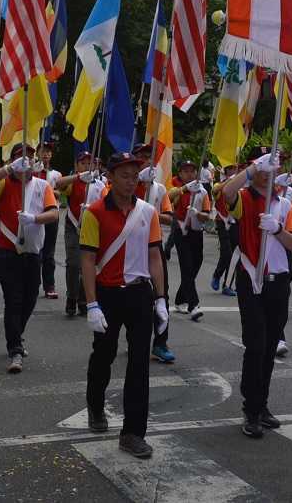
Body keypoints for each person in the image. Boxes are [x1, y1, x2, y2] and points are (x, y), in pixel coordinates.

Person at [80, 151, 167, 459]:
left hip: (139, 293)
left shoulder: (148, 212)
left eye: (135, 176)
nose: (131, 182)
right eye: (125, 176)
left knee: (139, 363)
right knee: (103, 353)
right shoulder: (94, 212)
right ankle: (95, 403)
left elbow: (155, 257)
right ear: (110, 177)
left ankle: (132, 432)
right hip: (107, 294)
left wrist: (161, 299)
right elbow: (88, 260)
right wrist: (91, 305)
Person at [222, 153, 292, 438]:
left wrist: (277, 228)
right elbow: (225, 192)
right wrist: (253, 168)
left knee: (269, 347)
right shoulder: (243, 198)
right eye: (264, 169)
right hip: (252, 278)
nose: (268, 174)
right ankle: (251, 409)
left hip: (278, 282)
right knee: (255, 345)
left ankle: (262, 404)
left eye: (272, 169)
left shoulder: (286, 204)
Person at [0, 143, 59, 374]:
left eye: (28, 157)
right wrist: (8, 169)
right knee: (13, 300)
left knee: (29, 299)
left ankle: (17, 334)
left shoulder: (41, 185)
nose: (25, 161)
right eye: (19, 158)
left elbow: (54, 212)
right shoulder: (5, 183)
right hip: (8, 251)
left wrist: (35, 219)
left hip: (33, 251)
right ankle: (15, 348)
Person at [134, 144, 176, 364]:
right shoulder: (127, 187)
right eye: (141, 157)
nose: (146, 161)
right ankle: (135, 337)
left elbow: (169, 217)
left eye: (149, 157)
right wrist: (138, 183)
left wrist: (153, 214)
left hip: (153, 244)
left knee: (162, 294)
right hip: (130, 245)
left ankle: (160, 342)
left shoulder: (159, 189)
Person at [56, 151, 104, 317]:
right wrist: (78, 177)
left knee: (89, 265)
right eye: (82, 163)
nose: (86, 166)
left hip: (91, 227)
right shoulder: (74, 182)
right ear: (77, 166)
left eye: (89, 163)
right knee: (74, 263)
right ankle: (72, 297)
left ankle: (84, 300)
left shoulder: (100, 184)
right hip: (73, 225)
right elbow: (58, 183)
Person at [168, 160, 211, 321]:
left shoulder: (202, 192)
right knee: (186, 267)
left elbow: (207, 215)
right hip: (181, 231)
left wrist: (197, 214)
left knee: (195, 266)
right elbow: (169, 197)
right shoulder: (177, 188)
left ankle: (180, 299)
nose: (189, 174)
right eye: (185, 171)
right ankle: (194, 305)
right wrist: (185, 189)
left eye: (192, 171)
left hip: (196, 232)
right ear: (180, 173)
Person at [34, 142, 63, 300]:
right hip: (35, 215)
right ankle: (33, 283)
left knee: (49, 252)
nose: (45, 154)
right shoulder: (32, 171)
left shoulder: (56, 175)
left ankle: (49, 285)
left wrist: (49, 190)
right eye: (43, 151)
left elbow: (61, 192)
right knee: (34, 251)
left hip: (51, 214)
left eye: (48, 152)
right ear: (37, 154)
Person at [211, 164, 238, 296]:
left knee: (234, 256)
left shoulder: (240, 186)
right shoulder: (219, 185)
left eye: (235, 169)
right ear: (226, 171)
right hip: (222, 222)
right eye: (230, 169)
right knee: (226, 253)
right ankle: (217, 275)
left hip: (236, 223)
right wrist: (230, 180)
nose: (233, 171)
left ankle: (227, 285)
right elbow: (215, 190)